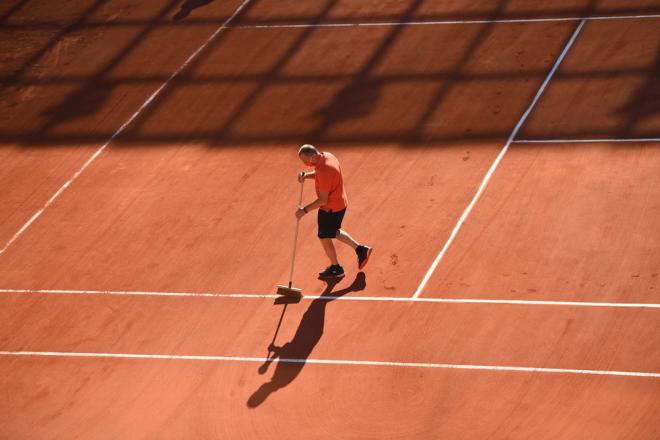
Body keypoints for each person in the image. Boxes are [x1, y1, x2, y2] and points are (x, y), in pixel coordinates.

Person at [295, 144, 372, 279]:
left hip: (330, 208)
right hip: (340, 203)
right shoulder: (327, 156)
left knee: (324, 236)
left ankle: (336, 268)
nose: (305, 164)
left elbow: (323, 200)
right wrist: (306, 175)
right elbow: (320, 174)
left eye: (306, 161)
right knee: (333, 231)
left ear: (313, 156)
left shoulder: (324, 170)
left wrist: (304, 210)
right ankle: (361, 250)